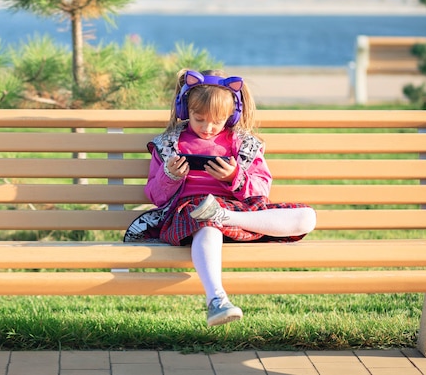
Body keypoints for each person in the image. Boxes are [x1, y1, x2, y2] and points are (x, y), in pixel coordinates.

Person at [124, 68, 316, 327]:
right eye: (199, 119)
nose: (207, 127)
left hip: (238, 215)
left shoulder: (243, 143)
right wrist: (170, 175)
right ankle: (217, 300)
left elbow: (261, 190)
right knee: (208, 225)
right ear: (185, 111)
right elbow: (155, 197)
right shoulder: (169, 144)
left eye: (217, 120)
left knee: (307, 217)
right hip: (190, 213)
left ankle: (221, 215)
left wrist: (235, 176)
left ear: (232, 115)